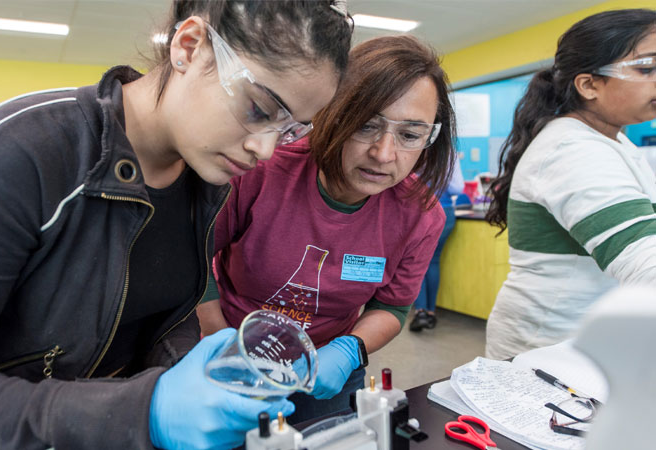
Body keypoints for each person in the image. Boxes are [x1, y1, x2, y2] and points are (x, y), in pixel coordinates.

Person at [0, 1, 353, 449]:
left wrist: (190, 364)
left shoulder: (207, 182)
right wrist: (143, 410)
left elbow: (149, 310)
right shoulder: (18, 155)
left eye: (292, 129)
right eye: (258, 108)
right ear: (189, 45)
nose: (266, 149)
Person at [198, 34, 456, 423]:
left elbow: (392, 306)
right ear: (333, 114)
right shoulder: (263, 170)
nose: (384, 154)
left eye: (409, 135)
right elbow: (192, 260)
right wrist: (221, 343)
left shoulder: (420, 215)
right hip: (228, 345)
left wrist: (351, 349)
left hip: (324, 363)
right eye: (367, 126)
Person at [485, 8, 656, 360]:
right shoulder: (572, 149)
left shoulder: (616, 141)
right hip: (547, 352)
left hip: (589, 344)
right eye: (647, 69)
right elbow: (645, 262)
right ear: (589, 84)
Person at [409, 157, 463, 332]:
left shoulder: (414, 146)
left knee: (416, 262)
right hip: (445, 210)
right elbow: (457, 188)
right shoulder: (449, 154)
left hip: (418, 210)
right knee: (432, 261)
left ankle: (421, 312)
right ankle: (430, 312)